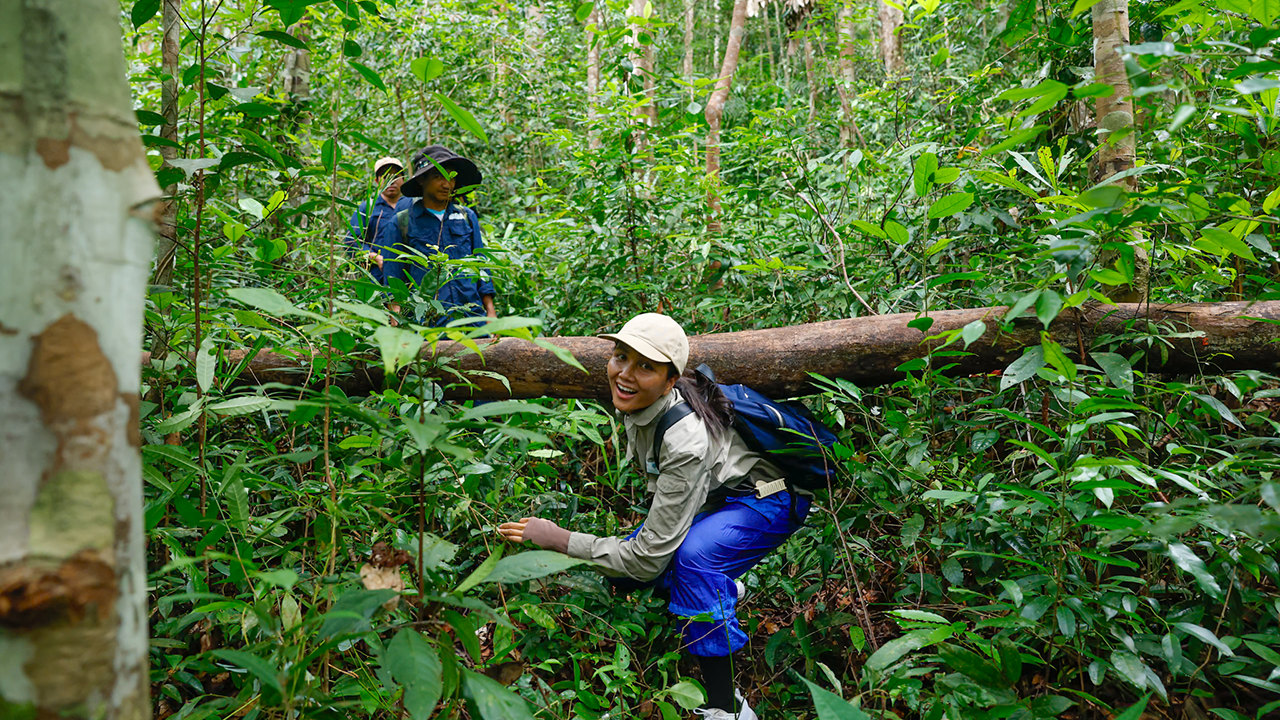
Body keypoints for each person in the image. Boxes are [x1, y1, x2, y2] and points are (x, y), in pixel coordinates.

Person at [498, 313, 810, 720]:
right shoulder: (645, 399)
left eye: (645, 365)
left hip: (768, 500)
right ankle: (724, 590)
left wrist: (560, 538)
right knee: (626, 570)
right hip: (718, 500)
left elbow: (647, 558)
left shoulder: (684, 438)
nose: (624, 374)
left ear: (670, 380)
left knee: (689, 563)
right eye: (620, 357)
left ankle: (726, 707)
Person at [380, 146, 496, 324]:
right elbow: (393, 279)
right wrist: (396, 321)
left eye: (451, 178)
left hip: (471, 320)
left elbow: (480, 264)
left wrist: (490, 312)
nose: (446, 184)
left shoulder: (467, 217)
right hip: (426, 324)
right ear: (422, 181)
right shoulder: (401, 223)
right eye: (438, 177)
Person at [344, 156, 412, 284]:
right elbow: (351, 242)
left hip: (409, 276)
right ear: (377, 181)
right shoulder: (368, 208)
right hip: (376, 277)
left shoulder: (412, 206)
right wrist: (376, 258)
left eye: (395, 176)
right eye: (386, 177)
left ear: (403, 179)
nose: (391, 181)